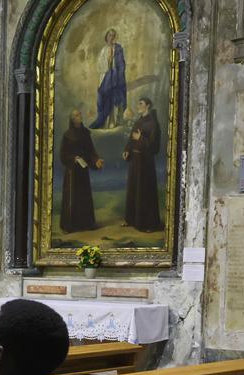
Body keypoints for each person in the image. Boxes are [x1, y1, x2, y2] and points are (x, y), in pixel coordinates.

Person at [59, 109, 104, 233]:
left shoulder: (85, 133)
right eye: (76, 115)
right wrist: (73, 157)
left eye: (80, 114)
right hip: (72, 172)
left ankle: (87, 223)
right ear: (72, 119)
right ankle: (70, 225)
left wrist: (96, 160)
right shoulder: (67, 135)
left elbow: (90, 151)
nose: (79, 116)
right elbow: (63, 155)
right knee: (73, 196)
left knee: (84, 196)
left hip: (83, 170)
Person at [122, 97, 162, 232]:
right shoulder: (138, 122)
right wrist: (127, 150)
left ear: (148, 106)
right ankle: (132, 220)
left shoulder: (153, 124)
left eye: (141, 104)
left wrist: (141, 138)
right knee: (134, 189)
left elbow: (154, 147)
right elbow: (131, 139)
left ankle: (147, 224)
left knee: (145, 192)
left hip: (146, 163)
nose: (138, 106)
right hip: (135, 161)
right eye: (138, 103)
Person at [90, 29, 126, 129]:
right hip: (106, 78)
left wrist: (115, 71)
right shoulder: (103, 50)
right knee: (104, 97)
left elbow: (122, 64)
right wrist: (108, 62)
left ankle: (113, 121)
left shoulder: (118, 49)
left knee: (114, 98)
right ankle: (103, 121)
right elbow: (99, 66)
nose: (112, 37)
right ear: (106, 37)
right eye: (110, 35)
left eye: (113, 35)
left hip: (116, 78)